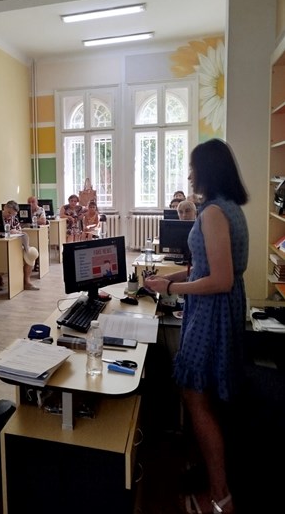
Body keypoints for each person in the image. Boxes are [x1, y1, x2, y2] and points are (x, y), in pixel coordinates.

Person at [144, 139, 248, 514]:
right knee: (205, 396)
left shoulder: (214, 213)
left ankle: (220, 496)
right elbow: (208, 267)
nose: (189, 175)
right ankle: (210, 475)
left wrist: (172, 288)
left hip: (211, 313)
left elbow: (219, 279)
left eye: (193, 167)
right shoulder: (229, 207)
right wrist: (169, 278)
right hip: (219, 308)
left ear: (208, 170)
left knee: (195, 396)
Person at [1, 200, 39, 290]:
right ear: (5, 207)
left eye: (13, 214)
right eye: (9, 212)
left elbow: (19, 232)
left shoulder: (14, 219)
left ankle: (27, 281)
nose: (10, 216)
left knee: (32, 253)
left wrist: (16, 231)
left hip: (15, 245)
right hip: (1, 245)